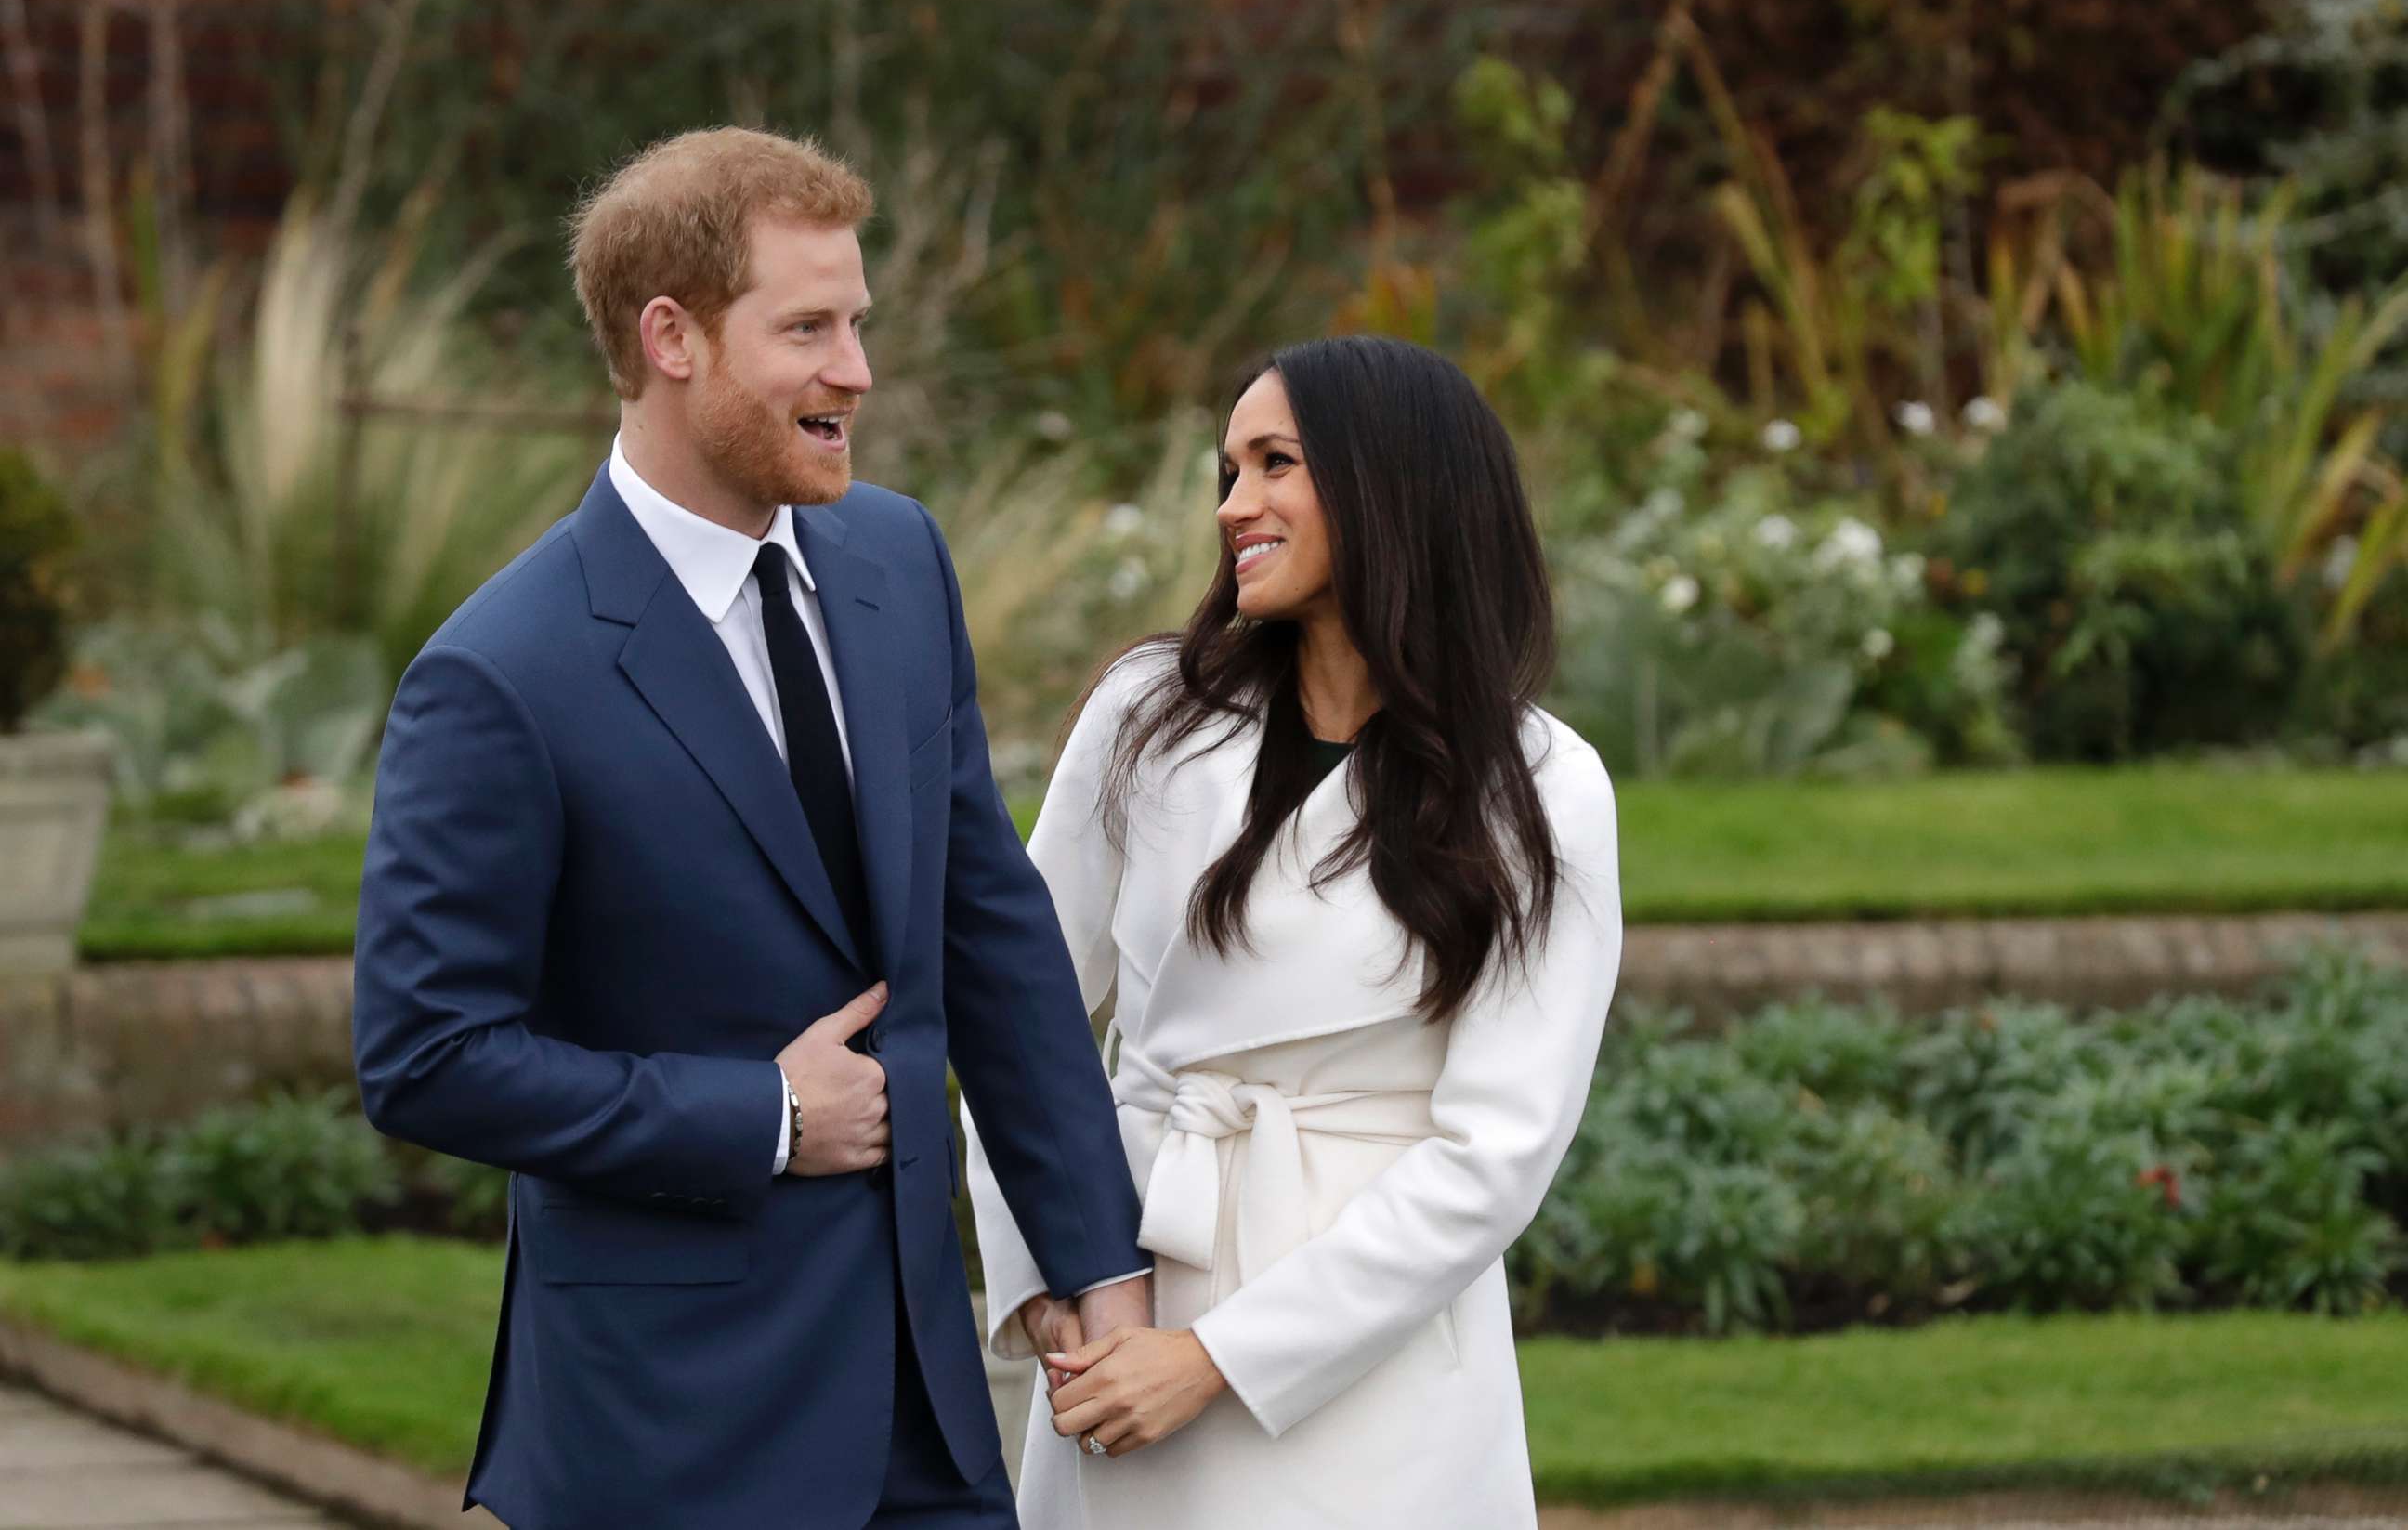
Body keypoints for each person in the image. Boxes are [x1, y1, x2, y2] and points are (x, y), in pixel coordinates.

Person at [351, 126, 1148, 1530]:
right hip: (668, 1436)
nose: (858, 371)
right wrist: (764, 1116)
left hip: (927, 1419)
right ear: (674, 337)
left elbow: (992, 932)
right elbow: (427, 1055)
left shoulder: (899, 561)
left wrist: (1096, 1252)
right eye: (808, 328)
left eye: (858, 323)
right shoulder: (500, 674)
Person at [963, 334, 1623, 1528]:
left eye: (1276, 463)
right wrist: (1056, 1291)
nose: (1234, 505)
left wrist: (1217, 1360)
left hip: (1369, 1368)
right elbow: (1019, 1012)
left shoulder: (1541, 787)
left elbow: (1494, 1157)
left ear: (1392, 484)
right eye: (1228, 469)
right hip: (1125, 1304)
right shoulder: (1146, 719)